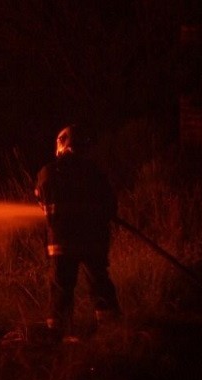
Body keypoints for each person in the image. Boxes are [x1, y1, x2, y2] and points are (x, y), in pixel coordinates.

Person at [35, 125, 121, 340]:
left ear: (61, 145)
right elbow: (110, 205)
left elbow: (41, 201)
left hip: (61, 243)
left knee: (61, 286)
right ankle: (111, 329)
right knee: (99, 282)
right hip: (93, 241)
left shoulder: (48, 172)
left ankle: (57, 332)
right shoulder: (95, 172)